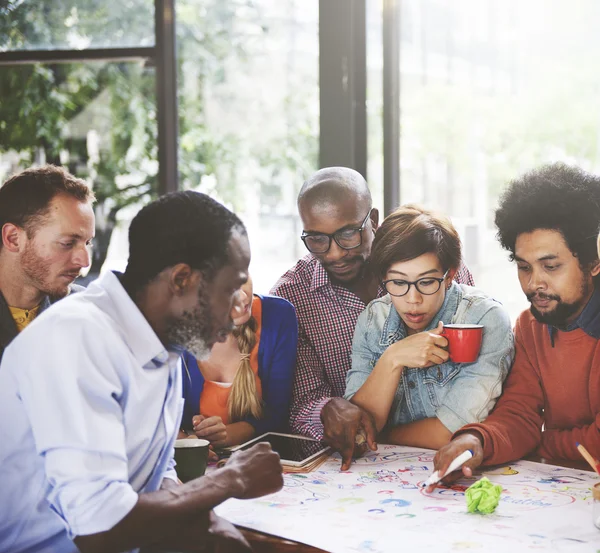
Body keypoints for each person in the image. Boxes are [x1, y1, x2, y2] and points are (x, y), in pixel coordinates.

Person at [0, 191, 283, 553]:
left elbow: (155, 478)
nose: (240, 307)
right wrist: (232, 478)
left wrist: (211, 527)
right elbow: (99, 528)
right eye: (230, 289)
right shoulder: (76, 337)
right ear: (182, 280)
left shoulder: (164, 341)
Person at [271, 166, 475, 469]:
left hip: (442, 451)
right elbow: (299, 402)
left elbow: (477, 368)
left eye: (348, 234)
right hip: (351, 464)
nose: (335, 253)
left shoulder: (430, 265)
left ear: (374, 220)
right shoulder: (291, 298)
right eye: (317, 239)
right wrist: (327, 409)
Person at [431, 163, 600, 488]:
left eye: (551, 266)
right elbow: (520, 413)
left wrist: (539, 441)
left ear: (593, 263)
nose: (535, 282)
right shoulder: (530, 326)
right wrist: (477, 442)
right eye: (524, 267)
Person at [344, 205, 514, 450]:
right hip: (382, 477)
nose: (413, 298)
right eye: (398, 282)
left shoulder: (484, 318)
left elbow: (453, 431)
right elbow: (357, 424)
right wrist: (393, 358)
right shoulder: (373, 319)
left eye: (426, 282)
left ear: (450, 275)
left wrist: (379, 436)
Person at [180, 275, 298, 447]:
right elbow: (152, 416)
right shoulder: (166, 330)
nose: (243, 296)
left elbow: (277, 413)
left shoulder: (278, 315)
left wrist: (228, 435)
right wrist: (187, 444)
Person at [0, 165, 95, 360]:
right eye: (67, 243)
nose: (84, 261)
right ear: (13, 238)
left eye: (87, 243)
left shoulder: (87, 314)